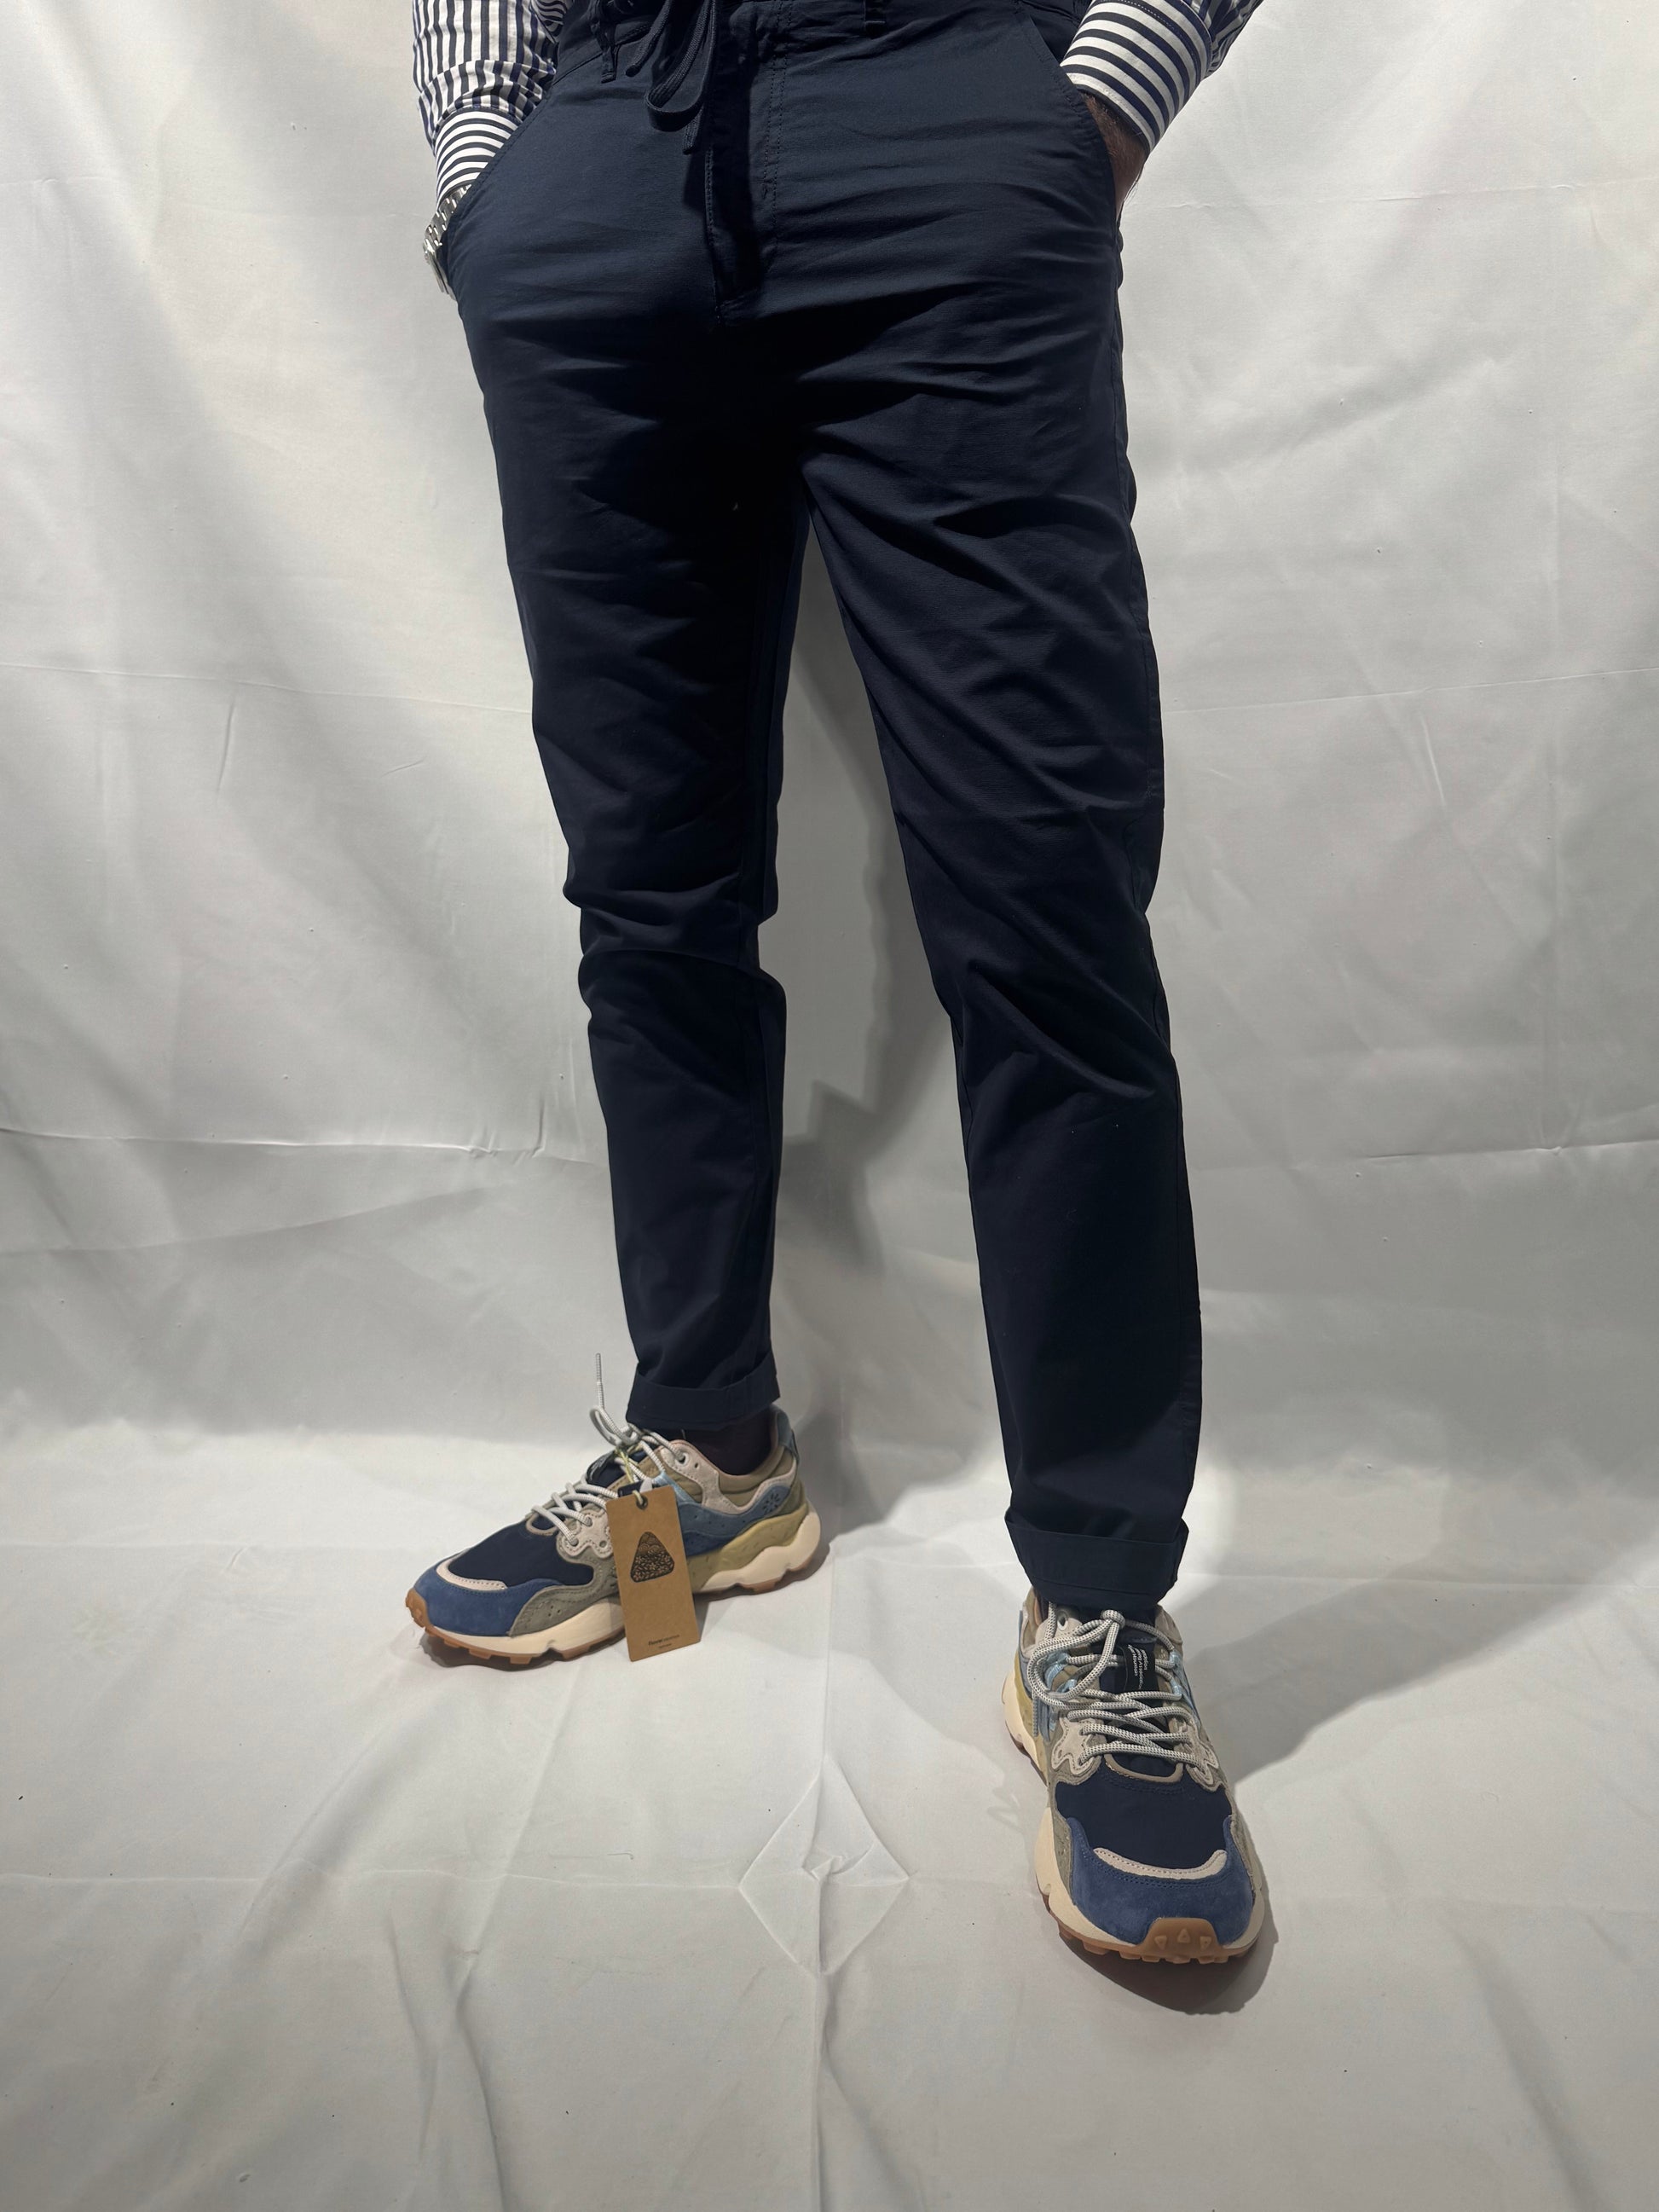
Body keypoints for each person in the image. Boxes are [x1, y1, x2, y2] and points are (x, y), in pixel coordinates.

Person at [403, 0, 1268, 1966]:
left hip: (945, 120)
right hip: (596, 151)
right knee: (649, 887)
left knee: (1044, 906)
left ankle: (1100, 1603)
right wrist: (484, 171)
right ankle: (709, 1454)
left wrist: (1090, 106)